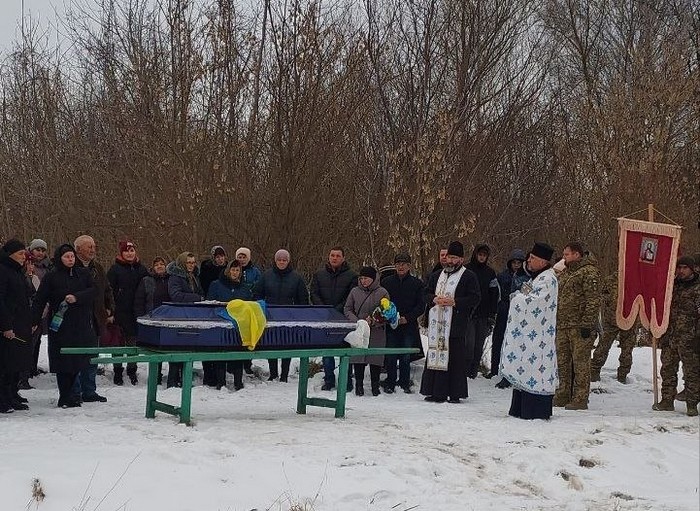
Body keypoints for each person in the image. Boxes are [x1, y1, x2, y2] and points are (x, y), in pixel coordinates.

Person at [31, 244, 97, 408]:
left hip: (80, 323)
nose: (70, 259)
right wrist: (34, 320)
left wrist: (77, 297)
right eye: (67, 257)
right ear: (60, 259)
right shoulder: (51, 277)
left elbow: (94, 291)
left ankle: (74, 394)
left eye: (72, 256)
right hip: (60, 323)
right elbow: (40, 299)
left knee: (78, 359)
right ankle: (65, 395)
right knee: (63, 360)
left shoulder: (83, 274)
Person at [499, 242, 559, 420]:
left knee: (535, 369)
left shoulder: (548, 279)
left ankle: (535, 411)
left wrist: (517, 298)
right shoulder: (537, 277)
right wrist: (518, 294)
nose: (528, 261)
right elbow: (525, 292)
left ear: (543, 261)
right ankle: (520, 408)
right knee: (525, 368)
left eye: (532, 258)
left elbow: (533, 303)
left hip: (539, 337)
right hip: (530, 337)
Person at [420, 241, 481, 404]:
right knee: (436, 355)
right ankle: (435, 391)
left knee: (455, 359)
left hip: (456, 324)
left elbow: (475, 298)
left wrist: (455, 302)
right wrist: (433, 299)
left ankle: (455, 393)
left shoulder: (468, 276)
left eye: (455, 258)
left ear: (461, 259)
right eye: (449, 257)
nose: (451, 261)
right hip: (437, 325)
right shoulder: (436, 275)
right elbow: (425, 293)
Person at [553, 242, 601, 410]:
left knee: (580, 363)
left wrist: (587, 324)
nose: (564, 257)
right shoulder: (566, 272)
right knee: (563, 362)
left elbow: (593, 300)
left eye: (567, 254)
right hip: (563, 325)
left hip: (579, 326)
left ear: (577, 255)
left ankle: (580, 397)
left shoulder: (589, 272)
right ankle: (563, 394)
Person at [652, 256, 700, 416]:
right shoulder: (671, 286)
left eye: (685, 268)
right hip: (670, 337)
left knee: (692, 372)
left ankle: (692, 404)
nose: (681, 271)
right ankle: (667, 400)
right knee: (667, 369)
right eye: (679, 268)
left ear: (692, 269)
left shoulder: (697, 288)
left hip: (690, 339)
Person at [253, 249, 309, 382]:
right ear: (275, 261)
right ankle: (273, 373)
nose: (281, 262)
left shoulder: (296, 277)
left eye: (284, 260)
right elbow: (257, 294)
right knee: (271, 343)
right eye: (279, 260)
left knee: (287, 344)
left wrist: (299, 313)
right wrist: (261, 308)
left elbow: (303, 299)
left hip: (289, 315)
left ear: (288, 261)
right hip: (270, 313)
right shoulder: (267, 275)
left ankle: (284, 375)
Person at [72, 234, 115, 402]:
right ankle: (74, 391)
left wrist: (109, 308)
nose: (93, 250)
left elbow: (107, 290)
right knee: (76, 356)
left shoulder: (97, 268)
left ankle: (89, 391)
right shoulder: (71, 266)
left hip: (96, 318)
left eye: (94, 247)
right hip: (77, 320)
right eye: (89, 247)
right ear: (78, 249)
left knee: (92, 356)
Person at [310, 246, 357, 391]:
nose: (334, 258)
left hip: (344, 317)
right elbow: (314, 293)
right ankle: (328, 380)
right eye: (332, 255)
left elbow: (351, 296)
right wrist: (324, 309)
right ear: (328, 257)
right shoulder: (319, 274)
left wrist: (337, 310)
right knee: (327, 350)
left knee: (345, 350)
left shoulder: (352, 276)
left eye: (338, 256)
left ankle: (346, 381)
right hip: (324, 317)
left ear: (343, 258)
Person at [381, 253, 424, 393]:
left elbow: (421, 306)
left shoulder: (417, 284)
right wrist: (388, 317)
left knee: (406, 354)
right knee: (391, 354)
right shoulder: (386, 282)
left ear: (409, 266)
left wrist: (407, 318)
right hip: (391, 324)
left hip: (408, 325)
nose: (401, 267)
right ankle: (390, 381)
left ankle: (404, 382)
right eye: (398, 264)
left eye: (404, 264)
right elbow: (382, 302)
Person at [107, 240, 149, 385]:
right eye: (126, 251)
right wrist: (110, 311)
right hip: (119, 311)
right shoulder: (115, 270)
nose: (129, 254)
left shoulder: (142, 269)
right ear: (121, 253)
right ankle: (117, 370)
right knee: (118, 343)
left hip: (136, 311)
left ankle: (132, 369)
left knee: (132, 343)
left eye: (132, 251)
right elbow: (108, 291)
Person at [344, 266, 390, 396]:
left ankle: (375, 386)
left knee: (375, 358)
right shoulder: (354, 291)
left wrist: (375, 320)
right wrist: (357, 321)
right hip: (359, 329)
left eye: (366, 278)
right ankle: (359, 385)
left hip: (376, 330)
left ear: (373, 279)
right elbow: (347, 309)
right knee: (358, 357)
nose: (363, 281)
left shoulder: (382, 292)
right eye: (362, 278)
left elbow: (386, 310)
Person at [0, 239, 34, 412]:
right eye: (20, 254)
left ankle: (12, 394)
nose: (24, 257)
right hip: (9, 325)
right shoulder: (3, 270)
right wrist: (6, 325)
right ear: (10, 254)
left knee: (16, 363)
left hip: (21, 322)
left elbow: (28, 293)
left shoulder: (18, 271)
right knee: (6, 364)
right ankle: (3, 398)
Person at [207, 259, 251, 390]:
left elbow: (249, 303)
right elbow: (210, 302)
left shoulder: (244, 287)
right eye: (233, 269)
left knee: (238, 352)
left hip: (238, 324)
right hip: (220, 321)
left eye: (237, 270)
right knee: (221, 352)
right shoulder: (216, 284)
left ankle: (238, 382)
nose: (235, 272)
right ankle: (221, 382)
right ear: (228, 270)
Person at [590, 272, 637, 383]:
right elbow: (602, 295)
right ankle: (594, 371)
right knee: (603, 346)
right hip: (611, 320)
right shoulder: (610, 279)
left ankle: (623, 375)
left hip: (629, 320)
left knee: (627, 349)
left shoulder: (635, 279)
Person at [167, 252, 204, 387]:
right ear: (183, 263)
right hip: (179, 315)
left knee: (188, 348)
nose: (191, 265)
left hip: (192, 315)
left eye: (193, 262)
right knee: (177, 349)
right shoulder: (175, 277)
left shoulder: (194, 276)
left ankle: (185, 378)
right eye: (188, 262)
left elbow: (200, 292)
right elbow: (176, 295)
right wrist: (197, 298)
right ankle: (173, 380)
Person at [491, 249, 528, 387]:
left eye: (519, 263)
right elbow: (496, 293)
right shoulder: (502, 276)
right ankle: (494, 368)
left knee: (515, 342)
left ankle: (513, 372)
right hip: (504, 308)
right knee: (498, 339)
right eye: (514, 262)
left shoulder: (526, 277)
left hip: (519, 312)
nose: (516, 265)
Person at [134, 256, 171, 386]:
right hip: (152, 319)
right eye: (157, 265)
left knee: (171, 348)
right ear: (153, 267)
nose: (159, 266)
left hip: (169, 319)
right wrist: (141, 318)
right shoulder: (146, 280)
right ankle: (156, 376)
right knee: (155, 349)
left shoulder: (171, 280)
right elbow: (139, 301)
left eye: (162, 264)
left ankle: (173, 376)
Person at [465, 244, 499, 378]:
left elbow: (494, 293)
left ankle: (473, 371)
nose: (482, 257)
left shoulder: (490, 273)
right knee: (469, 344)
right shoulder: (466, 270)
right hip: (469, 313)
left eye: (484, 255)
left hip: (484, 314)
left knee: (479, 345)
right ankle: (465, 370)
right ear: (475, 254)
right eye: (480, 254)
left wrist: (492, 313)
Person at [28, 238, 53, 377]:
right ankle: (25, 371)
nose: (40, 253)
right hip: (33, 304)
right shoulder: (27, 264)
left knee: (38, 339)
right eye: (37, 249)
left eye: (43, 250)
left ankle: (33, 366)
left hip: (46, 305)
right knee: (31, 339)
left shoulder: (48, 266)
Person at [236, 246, 262, 376]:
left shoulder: (255, 271)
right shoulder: (234, 269)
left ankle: (247, 363)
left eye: (244, 257)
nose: (242, 260)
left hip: (251, 305)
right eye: (239, 257)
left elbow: (259, 285)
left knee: (250, 333)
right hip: (237, 305)